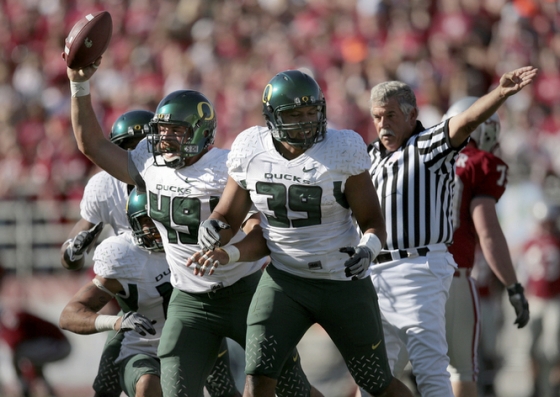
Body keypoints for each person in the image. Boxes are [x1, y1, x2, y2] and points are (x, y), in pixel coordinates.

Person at [65, 58, 320, 397]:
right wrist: (79, 85)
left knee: (292, 389)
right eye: (163, 129)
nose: (166, 138)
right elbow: (91, 144)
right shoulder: (150, 165)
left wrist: (230, 253)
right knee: (175, 390)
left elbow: (259, 228)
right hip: (189, 298)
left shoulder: (225, 167)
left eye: (176, 130)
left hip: (244, 290)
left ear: (201, 131)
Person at [193, 69, 414, 397]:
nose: (306, 121)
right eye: (295, 114)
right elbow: (228, 215)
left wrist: (367, 249)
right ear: (271, 117)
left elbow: (373, 221)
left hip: (341, 282)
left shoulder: (341, 148)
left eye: (312, 112)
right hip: (285, 282)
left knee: (376, 383)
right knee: (258, 380)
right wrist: (212, 228)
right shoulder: (251, 148)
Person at [365, 66, 537, 397]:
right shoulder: (371, 156)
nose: (382, 124)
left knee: (434, 373)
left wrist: (500, 93)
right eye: (377, 117)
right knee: (376, 376)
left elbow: (466, 122)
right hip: (382, 276)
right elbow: (487, 232)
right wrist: (512, 286)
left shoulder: (431, 145)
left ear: (411, 114)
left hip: (425, 271)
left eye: (389, 115)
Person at [60, 109, 155, 397]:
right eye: (126, 149)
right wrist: (73, 247)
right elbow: (70, 257)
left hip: (184, 287)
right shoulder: (104, 186)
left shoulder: (176, 180)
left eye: (142, 149)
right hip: (136, 286)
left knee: (222, 383)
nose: (134, 158)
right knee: (107, 386)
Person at [441, 96, 530, 397]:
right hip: (453, 276)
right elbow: (488, 233)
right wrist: (513, 286)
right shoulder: (479, 164)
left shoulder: (418, 155)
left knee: (385, 372)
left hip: (400, 273)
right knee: (462, 370)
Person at [60, 187, 169, 397]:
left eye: (159, 218)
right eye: (146, 220)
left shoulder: (191, 244)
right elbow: (68, 315)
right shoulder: (127, 255)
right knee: (117, 390)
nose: (154, 228)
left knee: (225, 390)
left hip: (193, 340)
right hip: (143, 345)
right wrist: (116, 322)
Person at [0, 266, 71, 397]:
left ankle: (25, 387)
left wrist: (27, 378)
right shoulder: (11, 318)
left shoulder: (11, 322)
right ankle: (43, 390)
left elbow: (17, 349)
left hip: (57, 344)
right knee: (31, 364)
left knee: (20, 356)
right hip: (56, 343)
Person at [518, 201, 560, 397]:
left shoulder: (557, 242)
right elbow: (522, 274)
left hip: (554, 300)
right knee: (530, 346)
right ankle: (534, 385)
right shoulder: (528, 244)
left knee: (554, 348)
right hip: (534, 300)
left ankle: (553, 385)